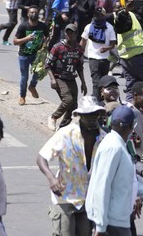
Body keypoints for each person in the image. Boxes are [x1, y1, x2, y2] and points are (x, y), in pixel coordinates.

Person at [86, 106, 143, 236]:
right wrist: (100, 226)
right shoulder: (113, 147)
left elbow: (127, 182)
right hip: (110, 223)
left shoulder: (120, 144)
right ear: (132, 127)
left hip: (119, 220)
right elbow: (102, 186)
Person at [37, 97, 107, 236]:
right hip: (65, 197)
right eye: (88, 115)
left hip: (88, 200)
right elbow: (41, 158)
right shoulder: (66, 134)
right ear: (80, 116)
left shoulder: (104, 138)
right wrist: (51, 179)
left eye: (95, 114)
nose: (92, 118)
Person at [45, 23, 88, 131]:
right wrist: (52, 79)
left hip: (71, 78)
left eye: (72, 32)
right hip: (59, 77)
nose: (69, 35)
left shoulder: (79, 49)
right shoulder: (58, 47)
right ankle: (53, 117)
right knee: (68, 100)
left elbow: (79, 67)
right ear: (65, 33)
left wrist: (83, 82)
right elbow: (47, 65)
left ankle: (62, 129)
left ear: (76, 34)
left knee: (73, 107)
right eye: (67, 32)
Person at [13, 5, 51, 105]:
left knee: (38, 73)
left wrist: (45, 44)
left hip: (37, 55)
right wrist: (26, 38)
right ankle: (22, 96)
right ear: (28, 14)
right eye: (32, 12)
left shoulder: (42, 26)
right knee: (24, 77)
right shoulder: (23, 26)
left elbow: (48, 37)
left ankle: (32, 86)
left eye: (36, 12)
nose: (34, 14)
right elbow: (15, 41)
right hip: (24, 55)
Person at [82, 7, 117, 98]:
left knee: (104, 82)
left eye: (100, 15)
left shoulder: (109, 28)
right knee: (96, 81)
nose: (98, 17)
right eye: (97, 15)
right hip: (93, 58)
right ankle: (96, 102)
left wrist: (107, 48)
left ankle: (101, 100)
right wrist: (79, 54)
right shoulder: (89, 27)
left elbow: (112, 45)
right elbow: (83, 41)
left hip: (105, 59)